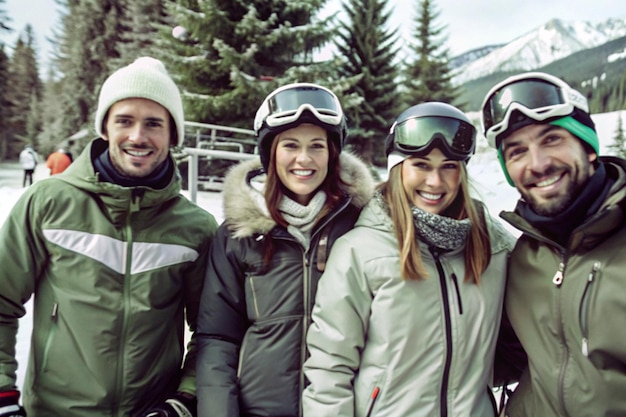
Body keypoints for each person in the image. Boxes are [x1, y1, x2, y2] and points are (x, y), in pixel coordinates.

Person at [0, 56, 218, 416]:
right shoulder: (48, 202)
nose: (138, 136)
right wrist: (3, 397)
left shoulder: (196, 228)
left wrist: (184, 398)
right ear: (105, 128)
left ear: (172, 135)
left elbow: (212, 331)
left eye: (153, 123)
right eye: (124, 121)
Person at [302, 102, 516, 417]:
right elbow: (329, 370)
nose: (435, 182)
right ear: (397, 168)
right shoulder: (358, 252)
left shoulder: (494, 249)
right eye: (421, 165)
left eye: (449, 166)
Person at [195, 83, 375, 416]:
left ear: (332, 154)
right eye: (290, 145)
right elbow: (217, 338)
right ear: (270, 153)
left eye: (317, 146)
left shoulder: (363, 225)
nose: (304, 159)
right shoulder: (239, 233)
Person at [480, 71, 626, 416]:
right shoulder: (523, 258)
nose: (538, 164)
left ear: (588, 148)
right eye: (516, 152)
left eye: (552, 140)